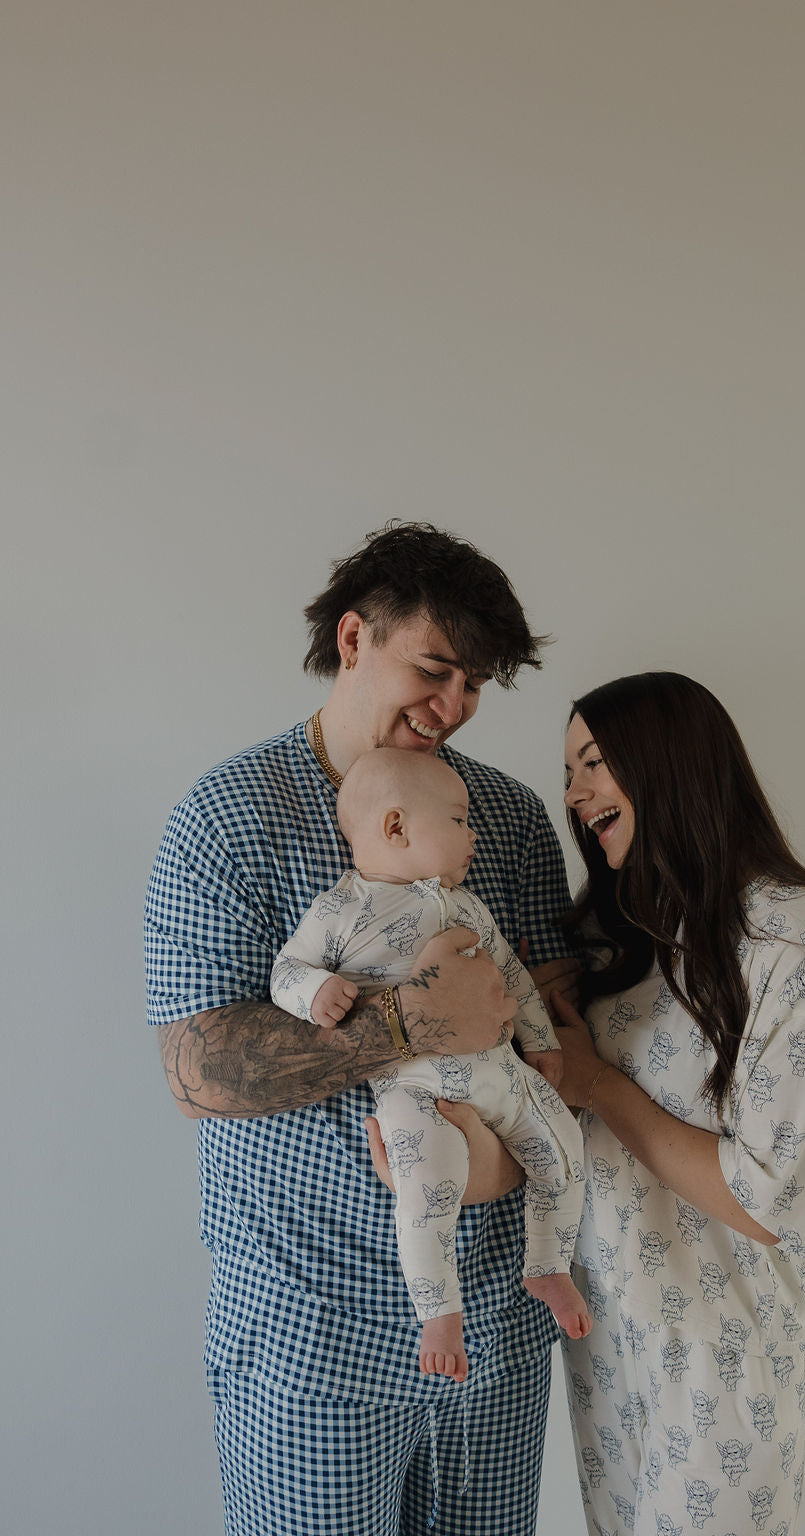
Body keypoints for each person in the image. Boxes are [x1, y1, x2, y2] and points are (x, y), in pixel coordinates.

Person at [144, 523, 579, 1536]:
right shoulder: (228, 819)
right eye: (434, 670)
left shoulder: (503, 820)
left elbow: (557, 1032)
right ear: (353, 640)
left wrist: (509, 1157)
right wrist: (404, 1021)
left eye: (474, 685)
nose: (454, 707)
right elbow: (195, 1072)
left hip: (498, 1337)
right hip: (311, 1341)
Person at [550, 672, 805, 1536]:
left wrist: (598, 1086)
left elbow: (769, 1199)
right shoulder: (607, 940)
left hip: (728, 1374)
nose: (573, 795)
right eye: (568, 771)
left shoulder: (793, 933)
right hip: (606, 1353)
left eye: (592, 762)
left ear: (669, 761)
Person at [269, 747, 591, 1384]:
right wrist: (313, 993)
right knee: (425, 1189)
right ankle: (438, 1311)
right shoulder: (340, 913)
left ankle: (548, 1262)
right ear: (397, 827)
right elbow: (286, 971)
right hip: (413, 1089)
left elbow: (512, 975)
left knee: (565, 1149)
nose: (474, 836)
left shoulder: (468, 907)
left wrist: (540, 1037)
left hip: (503, 1074)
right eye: (459, 820)